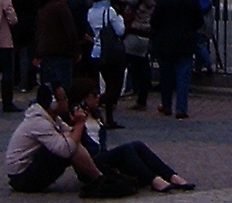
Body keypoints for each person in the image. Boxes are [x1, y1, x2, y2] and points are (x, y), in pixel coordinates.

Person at [4, 83, 130, 197]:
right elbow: (65, 150)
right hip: (21, 177)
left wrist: (74, 127)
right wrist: (80, 124)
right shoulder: (39, 122)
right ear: (53, 103)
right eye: (64, 98)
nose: (67, 101)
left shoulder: (51, 118)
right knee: (70, 147)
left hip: (27, 169)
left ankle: (99, 178)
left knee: (70, 141)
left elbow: (69, 132)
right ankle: (99, 180)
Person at [65, 79, 195, 190]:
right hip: (89, 163)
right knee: (125, 150)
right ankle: (154, 180)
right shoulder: (74, 118)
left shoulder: (96, 115)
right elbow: (74, 144)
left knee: (137, 145)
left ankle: (171, 176)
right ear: (83, 99)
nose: (98, 97)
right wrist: (78, 121)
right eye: (94, 95)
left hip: (102, 156)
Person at [150, 0, 203, 118]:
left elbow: (154, 21)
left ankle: (166, 105)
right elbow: (199, 21)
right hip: (185, 43)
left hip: (165, 42)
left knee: (166, 76)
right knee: (183, 76)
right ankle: (181, 108)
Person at [86, 0, 126, 127]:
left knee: (105, 84)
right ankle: (96, 104)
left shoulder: (90, 12)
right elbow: (120, 30)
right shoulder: (110, 11)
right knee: (114, 87)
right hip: (110, 53)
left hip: (96, 52)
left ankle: (108, 117)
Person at [34, 0, 79, 94]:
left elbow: (38, 31)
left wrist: (37, 53)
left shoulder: (44, 8)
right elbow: (70, 30)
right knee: (64, 85)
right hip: (62, 51)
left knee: (49, 84)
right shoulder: (62, 7)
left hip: (46, 51)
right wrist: (76, 50)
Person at [121, 0, 156, 110]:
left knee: (127, 62)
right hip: (146, 33)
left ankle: (128, 89)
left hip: (134, 32)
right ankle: (142, 96)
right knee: (142, 65)